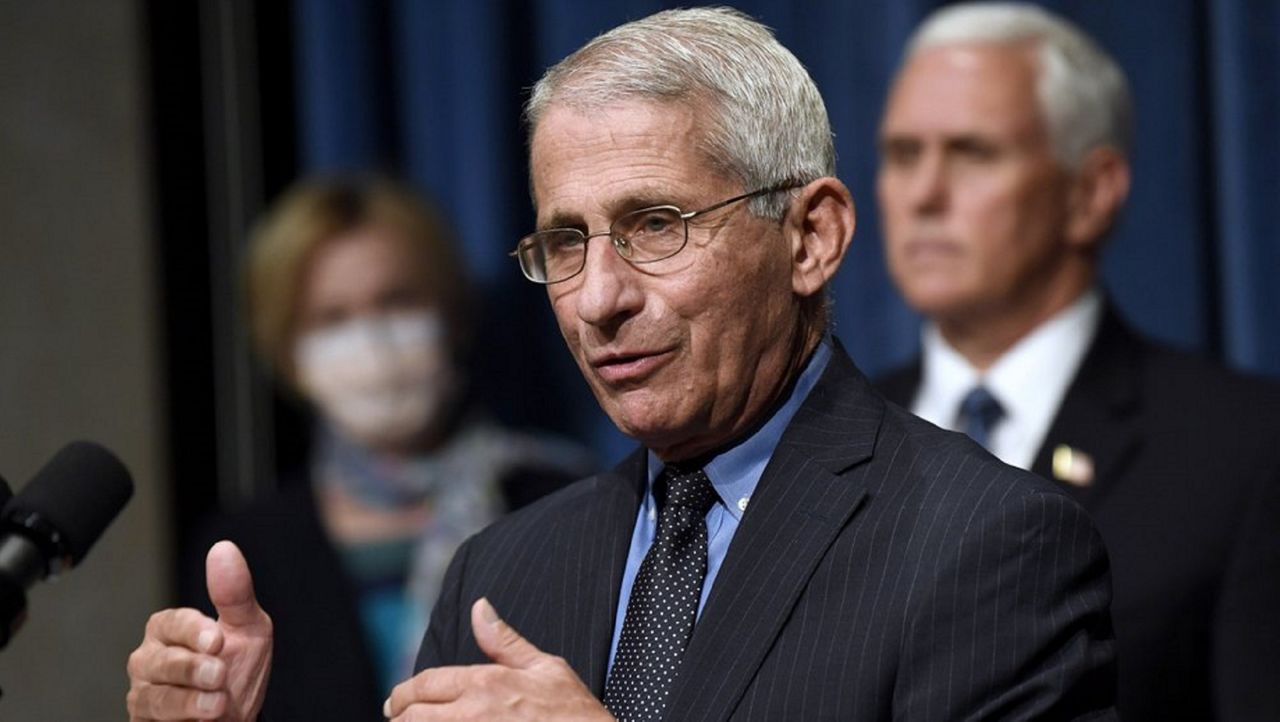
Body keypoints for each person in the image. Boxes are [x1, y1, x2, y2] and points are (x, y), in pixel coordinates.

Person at [126, 8, 1119, 721]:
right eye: (565, 242)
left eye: (655, 224)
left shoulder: (986, 544)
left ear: (809, 237)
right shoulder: (501, 568)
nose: (598, 296)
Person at [871, 4, 1280, 721]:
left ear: (1091, 193)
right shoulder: (823, 442)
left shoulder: (1247, 450)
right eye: (903, 154)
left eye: (972, 153)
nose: (924, 194)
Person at [176, 176, 594, 720]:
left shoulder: (568, 501)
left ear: (451, 314)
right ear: (288, 353)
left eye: (396, 301)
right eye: (333, 318)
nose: (372, 339)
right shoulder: (243, 553)